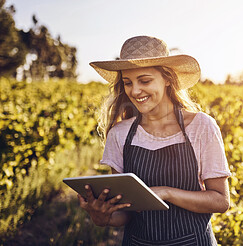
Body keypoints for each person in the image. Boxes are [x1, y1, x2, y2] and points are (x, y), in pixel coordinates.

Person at [78, 36, 231, 245]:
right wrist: (102, 217)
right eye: (128, 83)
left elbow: (221, 200)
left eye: (145, 80)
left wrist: (166, 193)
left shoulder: (201, 126)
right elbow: (125, 212)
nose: (135, 91)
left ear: (167, 78)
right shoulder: (120, 134)